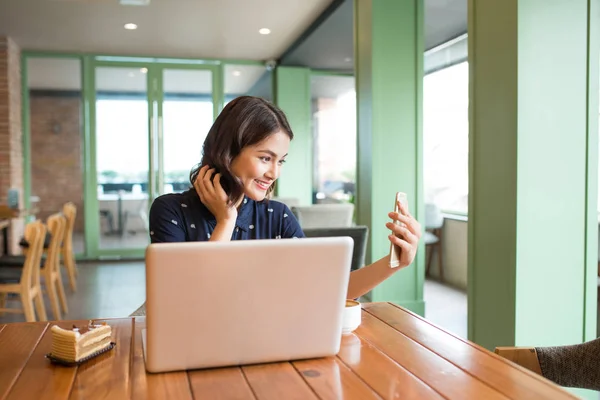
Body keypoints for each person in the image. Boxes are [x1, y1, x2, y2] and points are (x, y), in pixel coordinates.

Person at [131, 96, 421, 316]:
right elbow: (180, 302)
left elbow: (325, 290)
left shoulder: (277, 216)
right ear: (227, 152)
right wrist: (225, 222)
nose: (274, 174)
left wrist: (395, 263)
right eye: (265, 158)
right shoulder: (170, 211)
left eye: (280, 161)